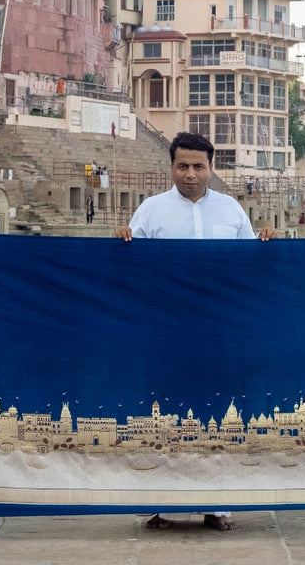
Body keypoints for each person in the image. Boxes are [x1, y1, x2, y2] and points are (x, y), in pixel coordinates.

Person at [113, 131, 274, 530]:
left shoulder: (231, 210)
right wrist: (121, 241)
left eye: (198, 166)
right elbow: (128, 269)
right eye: (182, 166)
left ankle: (217, 506)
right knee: (163, 412)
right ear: (171, 167)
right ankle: (160, 505)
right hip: (167, 330)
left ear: (210, 167)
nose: (190, 174)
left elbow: (249, 266)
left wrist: (266, 242)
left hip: (218, 331)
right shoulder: (150, 211)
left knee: (216, 411)